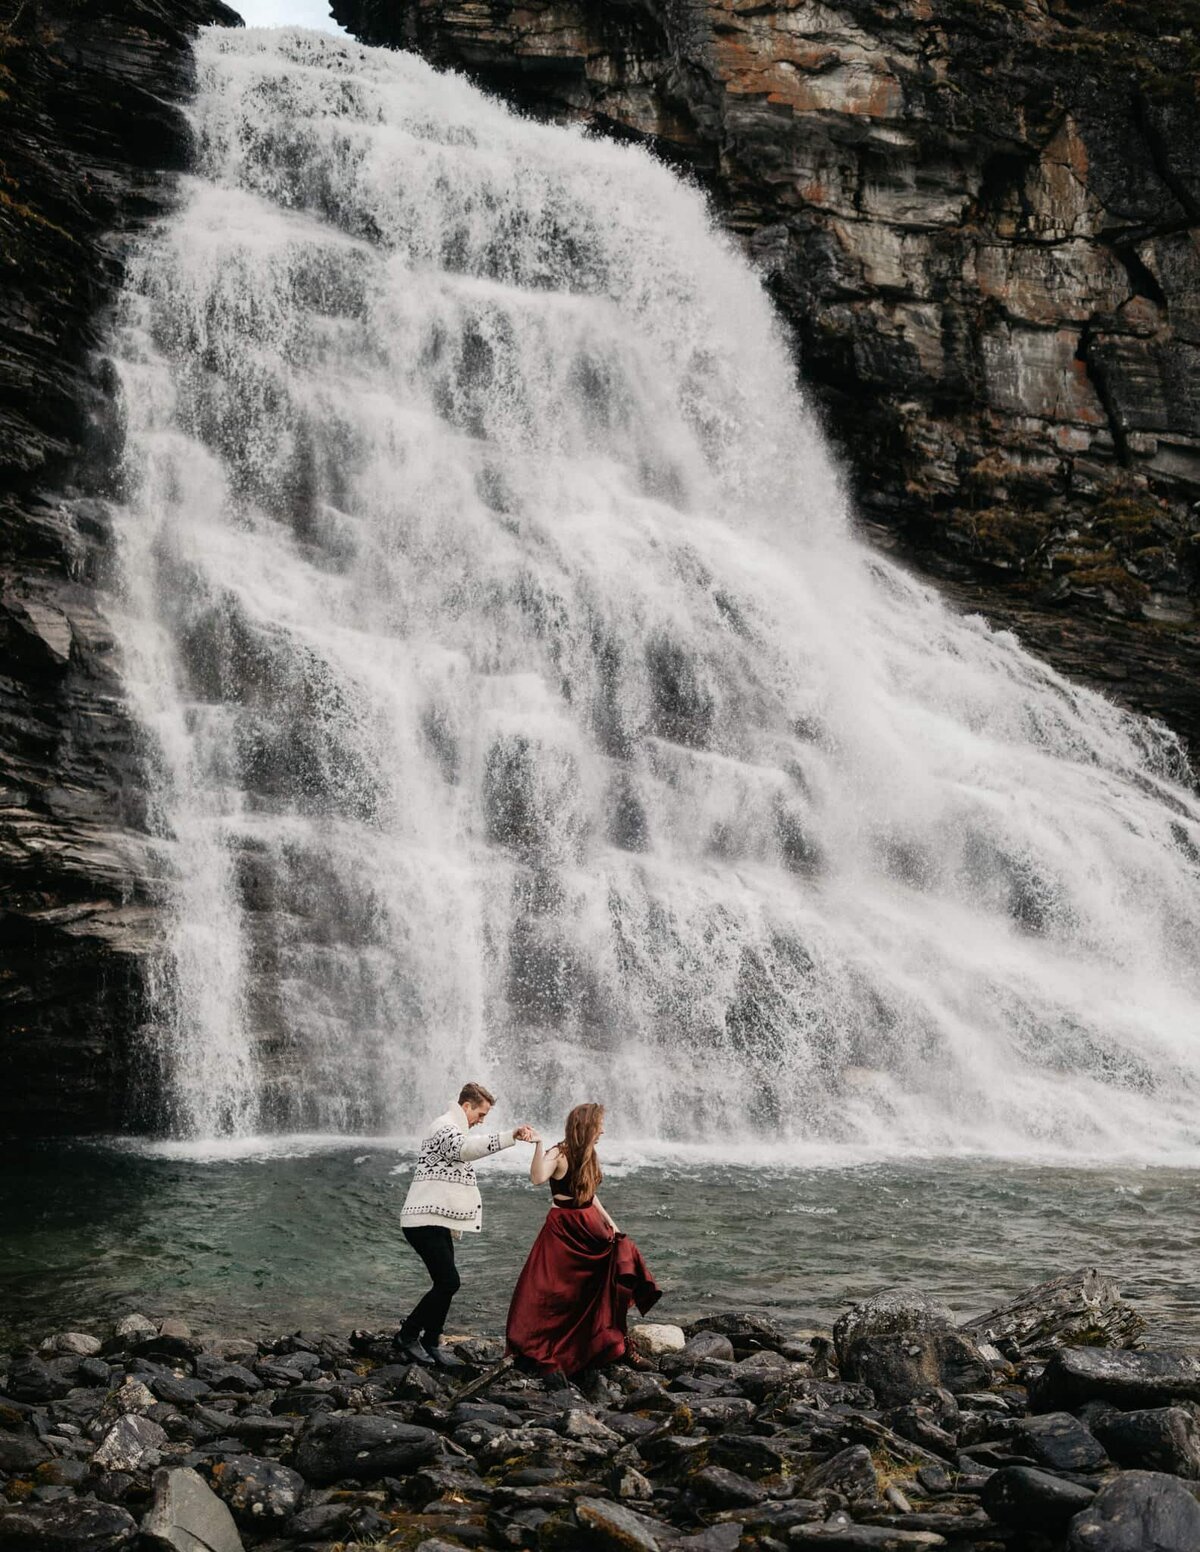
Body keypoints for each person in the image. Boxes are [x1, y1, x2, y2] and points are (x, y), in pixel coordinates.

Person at [505, 1102, 661, 1377]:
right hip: (564, 1228)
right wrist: (539, 1144)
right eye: (599, 1125)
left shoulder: (590, 1153)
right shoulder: (559, 1152)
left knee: (608, 1279)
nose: (602, 1130)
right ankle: (550, 1347)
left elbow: (589, 1194)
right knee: (550, 1290)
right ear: (587, 1126)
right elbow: (537, 1178)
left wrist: (610, 1223)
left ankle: (615, 1344)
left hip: (589, 1224)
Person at [397, 1081, 533, 1367]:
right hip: (421, 1221)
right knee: (449, 1281)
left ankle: (431, 1341)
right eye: (480, 1114)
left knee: (446, 1282)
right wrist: (511, 1136)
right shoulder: (444, 1126)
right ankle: (408, 1335)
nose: (481, 1121)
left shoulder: (453, 1127)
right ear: (466, 1105)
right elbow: (464, 1150)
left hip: (434, 1221)